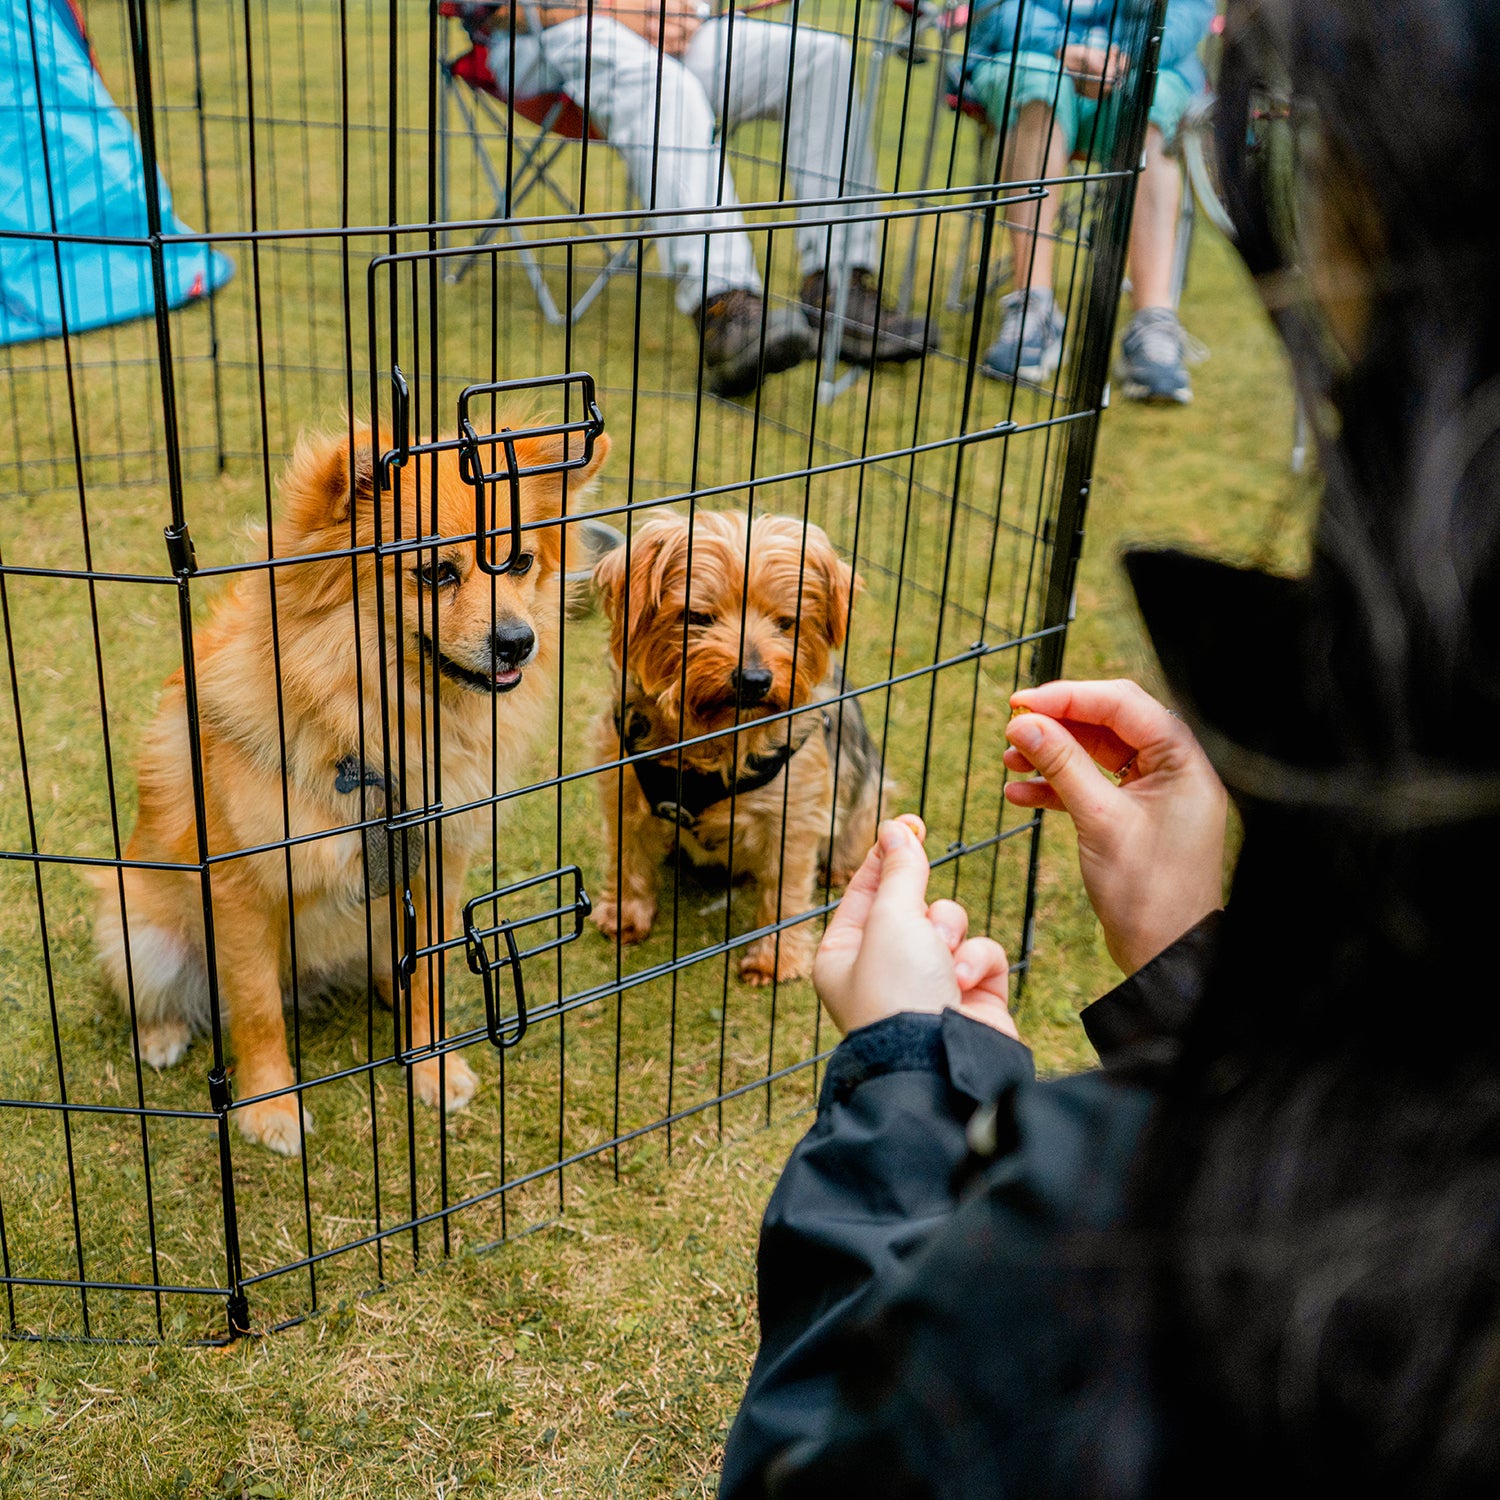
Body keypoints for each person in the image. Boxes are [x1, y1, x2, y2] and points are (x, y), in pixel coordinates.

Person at [721, 0, 1500, 1492]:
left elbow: (833, 1462)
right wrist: (1191, 962)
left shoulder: (1134, 1252)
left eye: (1344, 376)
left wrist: (905, 1080)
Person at [458, 0, 937, 397]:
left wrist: (690, 9)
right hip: (547, 32)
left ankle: (838, 288)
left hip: (676, 21)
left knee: (822, 58)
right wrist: (612, 9)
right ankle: (723, 310)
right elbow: (487, 7)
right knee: (666, 87)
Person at [962, 0, 1214, 399]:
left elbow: (1189, 11)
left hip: (1146, 64)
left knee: (1147, 105)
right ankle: (1033, 307)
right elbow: (1001, 7)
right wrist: (1064, 48)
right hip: (1033, 56)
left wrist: (1128, 56)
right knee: (1037, 86)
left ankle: (1153, 321)